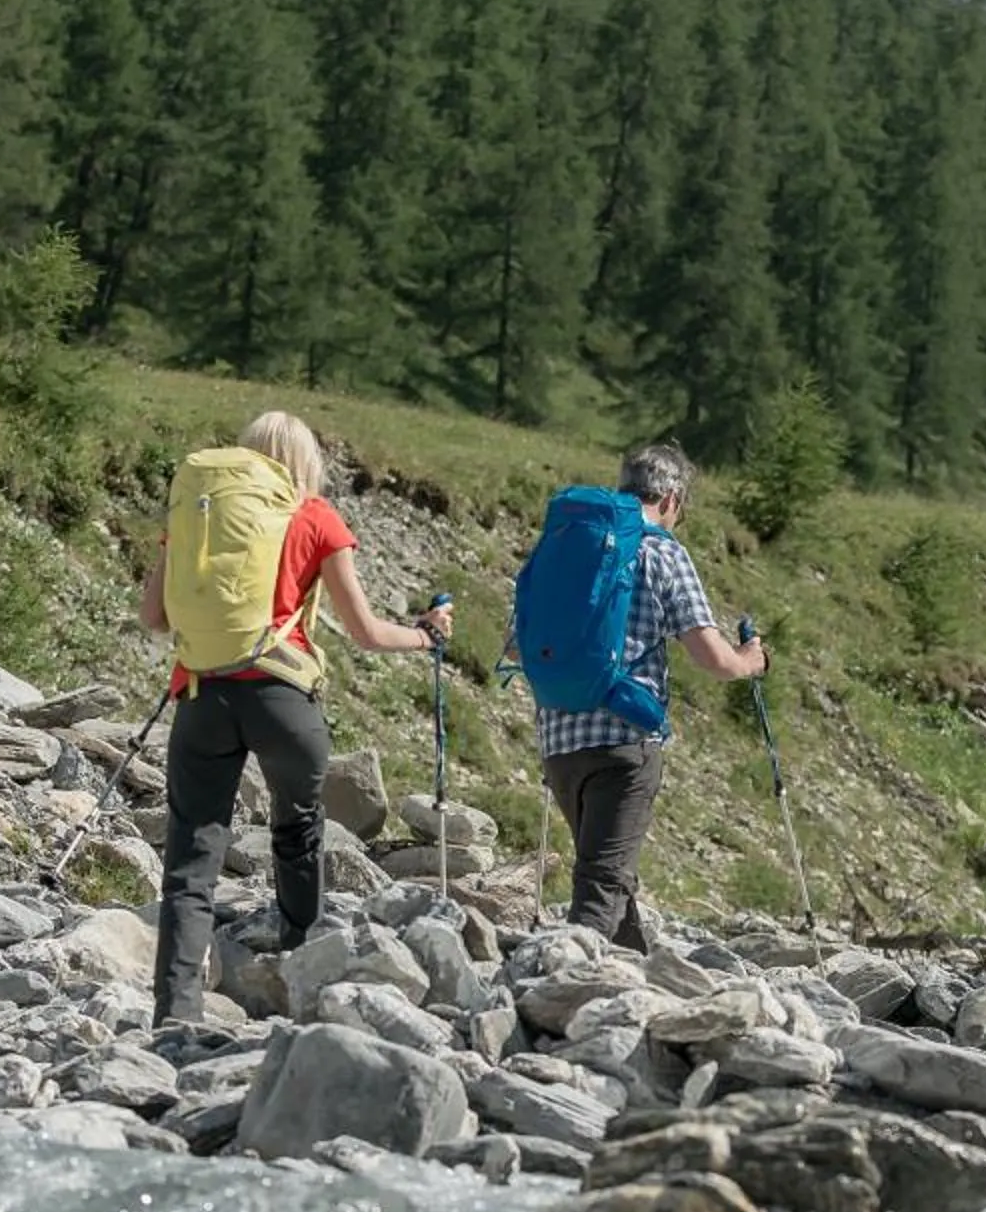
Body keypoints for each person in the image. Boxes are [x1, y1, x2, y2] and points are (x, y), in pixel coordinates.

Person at [139, 410, 452, 1027]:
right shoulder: (314, 515)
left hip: (203, 695)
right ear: (305, 462)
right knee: (298, 829)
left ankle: (175, 1013)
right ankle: (300, 961)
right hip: (284, 699)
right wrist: (426, 637)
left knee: (190, 860)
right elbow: (364, 632)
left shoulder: (199, 518)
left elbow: (154, 617)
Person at [509, 442, 764, 951]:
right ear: (671, 497)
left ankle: (633, 976)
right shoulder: (664, 551)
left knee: (608, 868)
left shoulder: (567, 545)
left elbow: (516, 647)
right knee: (601, 883)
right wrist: (753, 660)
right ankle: (554, 994)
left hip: (558, 737)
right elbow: (713, 659)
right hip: (625, 741)